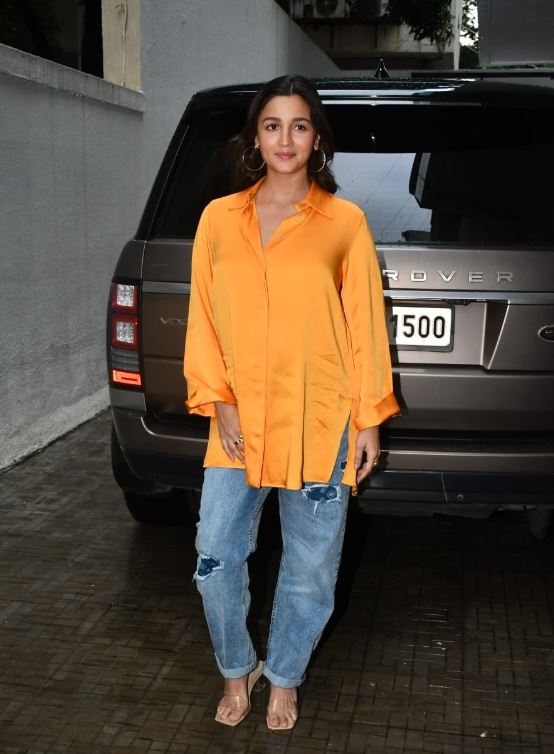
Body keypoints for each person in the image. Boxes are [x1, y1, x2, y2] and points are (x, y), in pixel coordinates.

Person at [183, 74, 400, 731]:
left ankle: (283, 678)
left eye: (299, 126)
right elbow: (203, 319)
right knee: (214, 557)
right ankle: (236, 667)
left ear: (317, 140)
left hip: (321, 421)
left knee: (310, 567)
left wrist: (369, 418)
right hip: (237, 423)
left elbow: (365, 326)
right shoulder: (219, 219)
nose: (285, 138)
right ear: (255, 138)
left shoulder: (345, 223)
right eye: (272, 125)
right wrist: (219, 401)